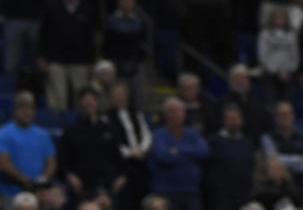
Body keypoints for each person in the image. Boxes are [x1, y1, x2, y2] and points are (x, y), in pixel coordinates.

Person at [57, 87, 124, 207]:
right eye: (86, 100)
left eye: (92, 100)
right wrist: (70, 176)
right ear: (80, 104)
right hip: (82, 188)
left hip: (107, 187)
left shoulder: (109, 129)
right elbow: (62, 163)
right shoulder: (71, 131)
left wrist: (121, 177)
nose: (89, 103)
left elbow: (119, 158)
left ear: (97, 103)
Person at [38, 0, 95, 111]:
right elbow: (43, 34)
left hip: (79, 61)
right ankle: (57, 128)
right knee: (57, 100)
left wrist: (90, 62)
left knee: (81, 99)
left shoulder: (86, 10)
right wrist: (42, 56)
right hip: (56, 60)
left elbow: (90, 38)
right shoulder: (51, 8)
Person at [148, 97, 209, 210]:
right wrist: (191, 154)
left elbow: (204, 151)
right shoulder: (159, 135)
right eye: (171, 111)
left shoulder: (192, 133)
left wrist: (177, 150)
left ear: (184, 114)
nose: (175, 115)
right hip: (166, 192)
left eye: (178, 111)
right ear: (165, 115)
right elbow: (164, 157)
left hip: (191, 190)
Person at [0, 92, 56, 198]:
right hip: (10, 194)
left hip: (38, 193)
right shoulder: (3, 133)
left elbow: (51, 162)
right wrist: (25, 180)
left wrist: (43, 179)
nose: (27, 112)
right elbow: (3, 163)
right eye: (23, 108)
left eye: (30, 108)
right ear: (15, 111)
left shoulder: (42, 134)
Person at [107, 81, 152, 210]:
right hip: (122, 166)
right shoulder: (107, 118)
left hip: (141, 165)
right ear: (111, 97)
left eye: (122, 94)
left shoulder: (136, 114)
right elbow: (114, 142)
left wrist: (142, 150)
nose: (119, 97)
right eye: (116, 94)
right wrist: (131, 153)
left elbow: (146, 134)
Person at [203, 104, 256, 210]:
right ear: (224, 121)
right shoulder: (213, 142)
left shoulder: (248, 143)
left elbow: (251, 168)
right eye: (230, 119)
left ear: (241, 120)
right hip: (219, 199)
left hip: (243, 197)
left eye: (236, 119)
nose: (234, 123)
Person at [259, 102, 303, 189]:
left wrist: (282, 161)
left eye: (287, 114)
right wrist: (298, 159)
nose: (284, 117)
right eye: (281, 114)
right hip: (279, 186)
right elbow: (272, 162)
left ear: (293, 116)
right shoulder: (267, 138)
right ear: (276, 118)